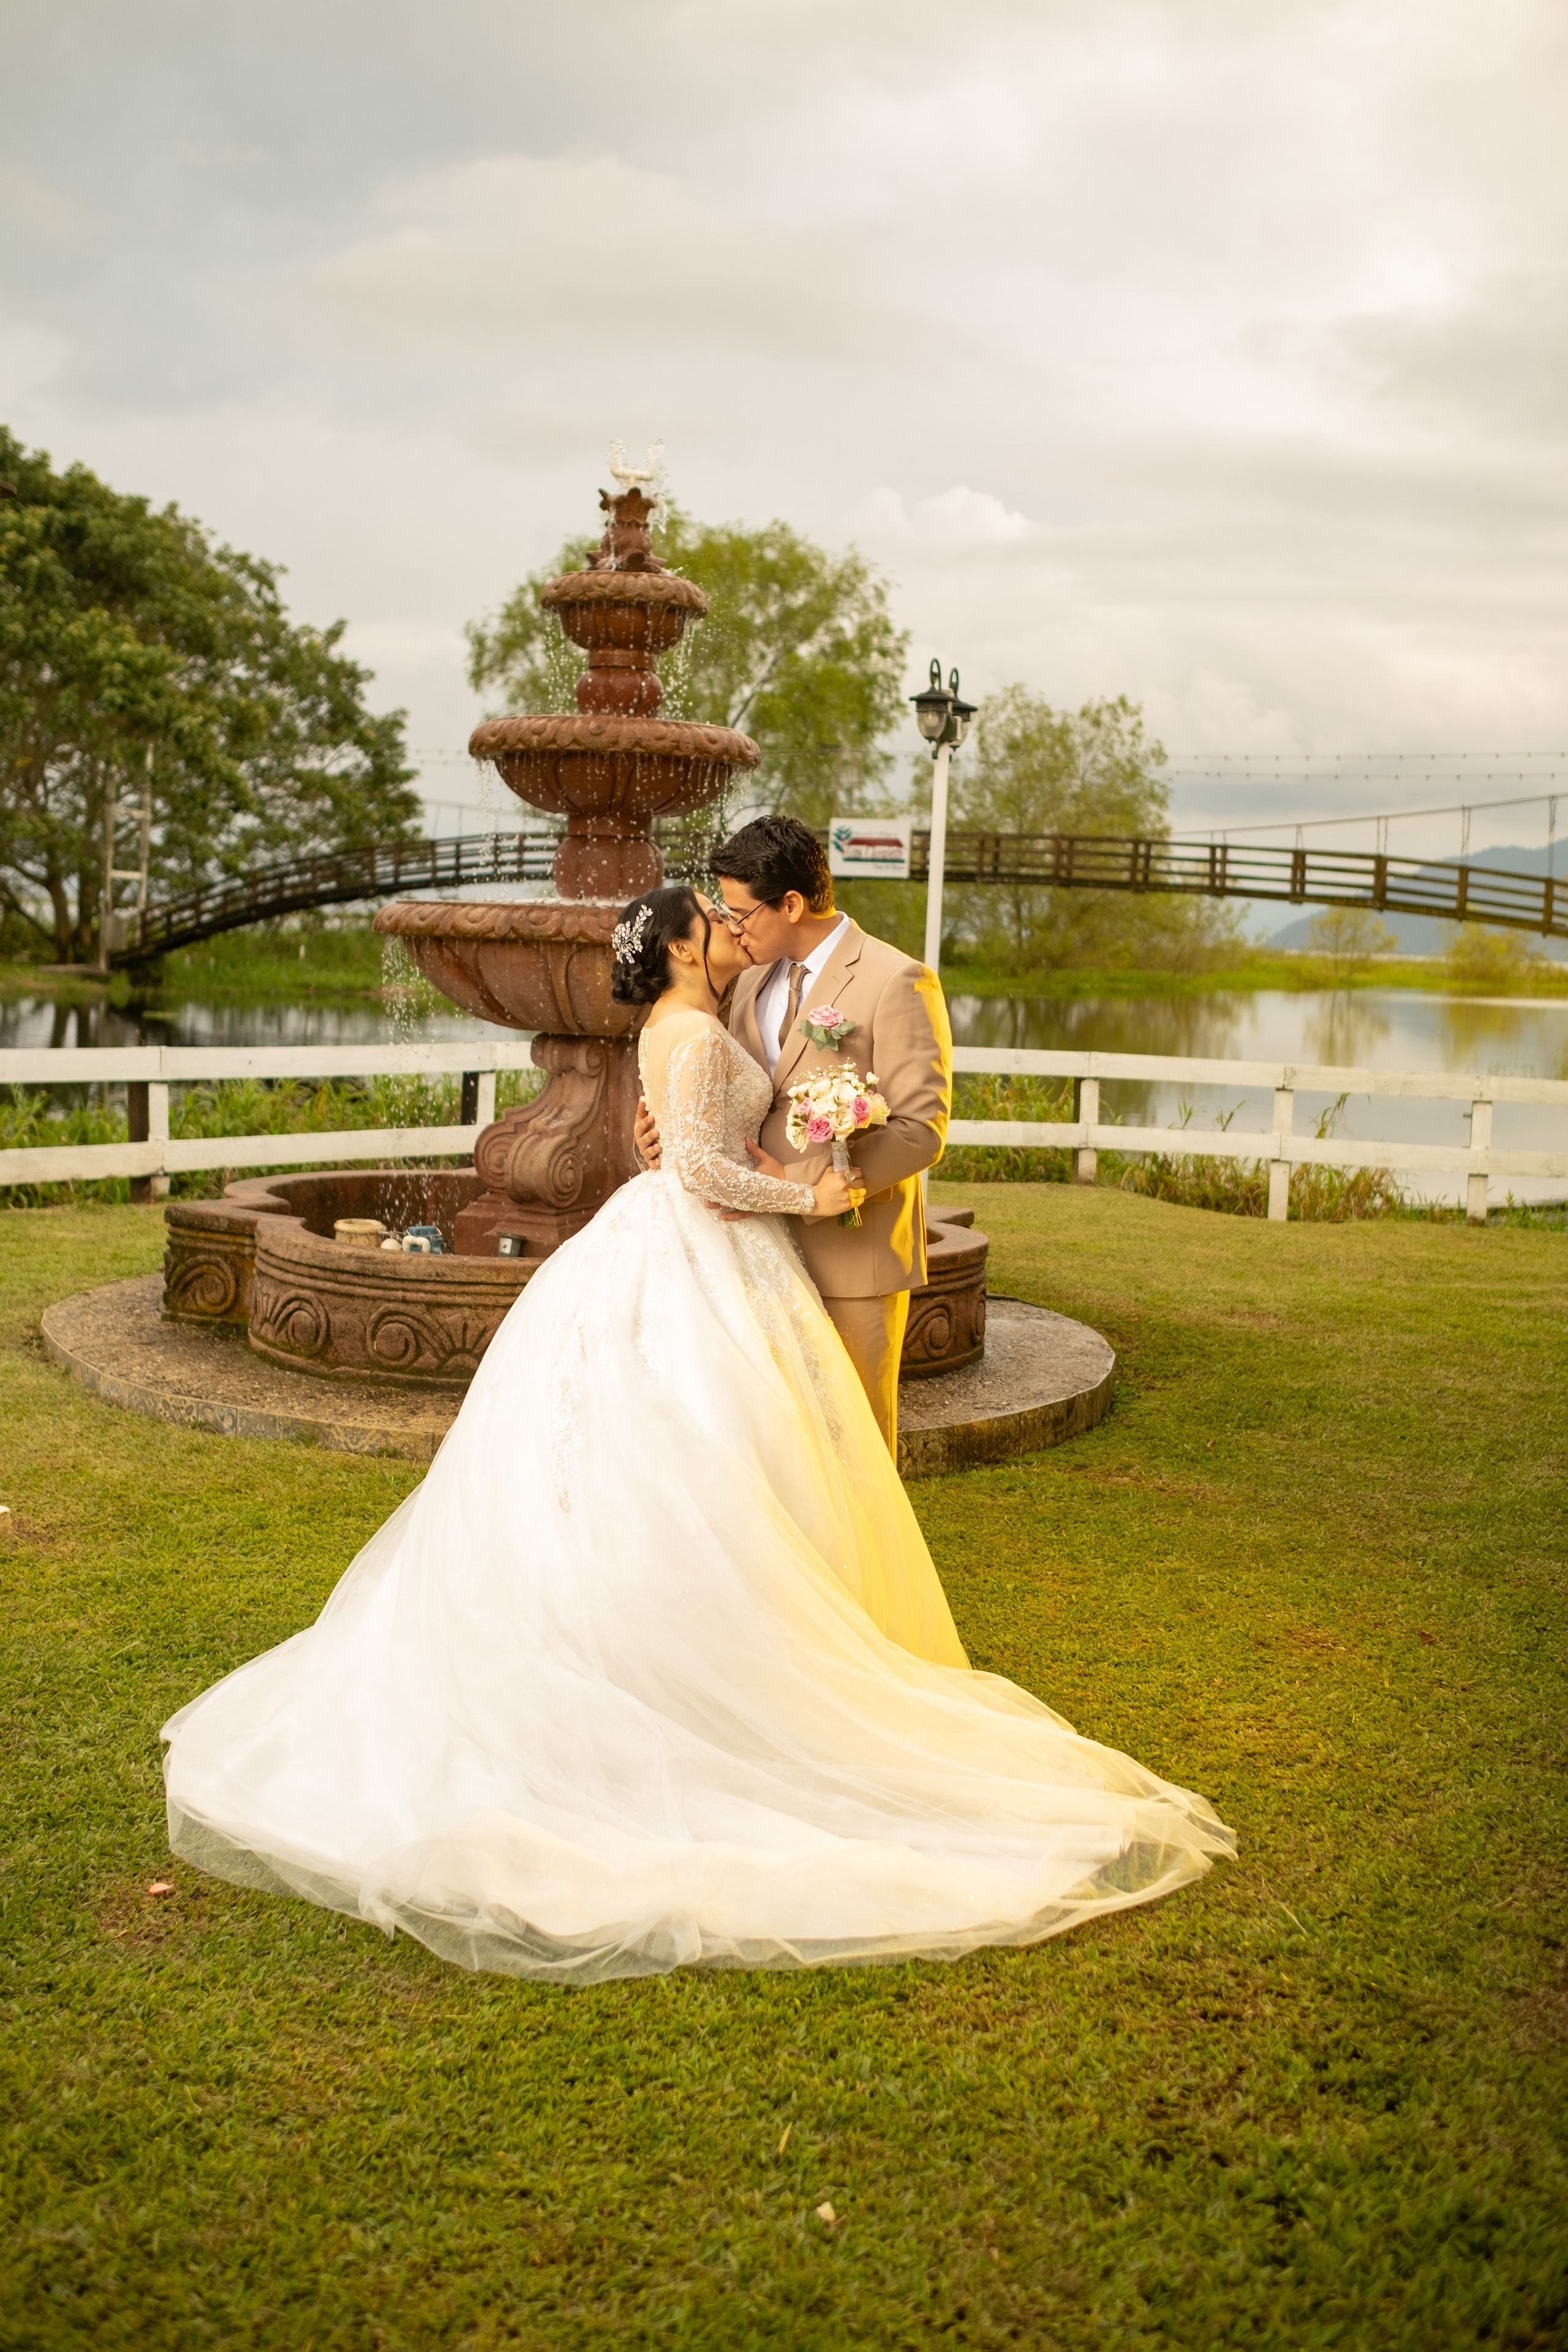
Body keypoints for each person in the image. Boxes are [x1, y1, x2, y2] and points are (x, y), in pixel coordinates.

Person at [160, 885, 1232, 1985]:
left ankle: (774, 1633)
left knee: (741, 1444)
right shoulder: (685, 1028)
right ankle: (704, 1658)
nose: (729, 929)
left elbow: (702, 1139)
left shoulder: (716, 1011)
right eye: (712, 921)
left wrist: (775, 1139)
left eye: (735, 913)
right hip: (698, 1244)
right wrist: (809, 1198)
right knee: (692, 1437)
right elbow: (703, 1172)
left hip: (707, 1244)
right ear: (679, 946)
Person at [635, 814, 948, 1457]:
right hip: (751, 1252)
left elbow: (921, 1130)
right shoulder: (750, 979)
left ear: (793, 904)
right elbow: (717, 1096)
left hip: (851, 1253)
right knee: (778, 1454)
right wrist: (661, 1144)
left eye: (741, 912)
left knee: (857, 1446)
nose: (733, 926)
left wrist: (801, 1184)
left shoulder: (896, 978)